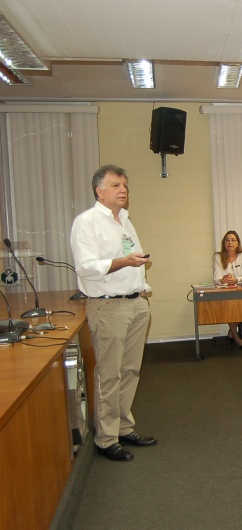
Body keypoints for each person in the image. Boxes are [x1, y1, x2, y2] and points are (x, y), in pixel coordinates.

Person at [70, 164, 156, 462]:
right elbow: (86, 267)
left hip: (135, 303)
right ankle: (106, 438)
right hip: (108, 306)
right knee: (109, 374)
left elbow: (135, 258)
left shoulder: (125, 221)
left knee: (130, 371)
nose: (123, 190)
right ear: (100, 191)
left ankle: (122, 426)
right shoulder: (88, 222)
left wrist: (142, 286)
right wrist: (122, 262)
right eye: (116, 185)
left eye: (125, 186)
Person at [212, 230, 242, 349]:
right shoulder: (217, 257)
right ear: (224, 243)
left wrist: (235, 279)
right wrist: (223, 280)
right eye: (227, 239)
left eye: (233, 240)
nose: (230, 242)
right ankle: (236, 336)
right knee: (230, 308)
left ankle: (231, 333)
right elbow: (216, 278)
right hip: (225, 291)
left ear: (237, 243)